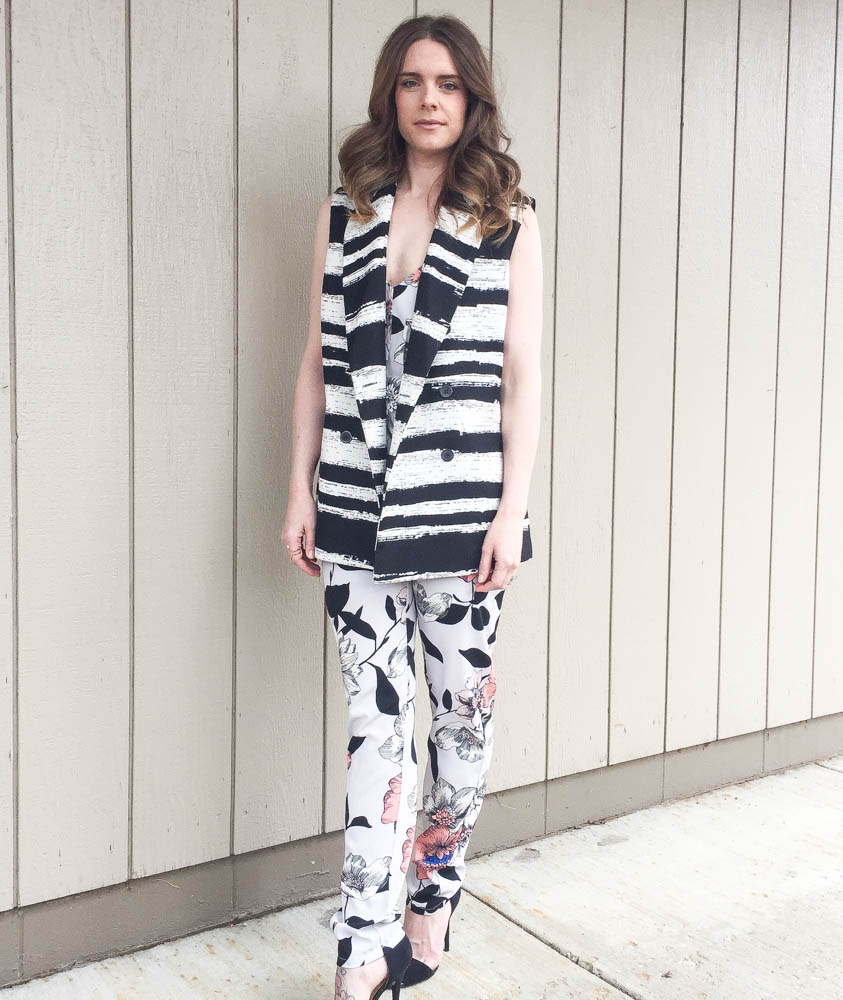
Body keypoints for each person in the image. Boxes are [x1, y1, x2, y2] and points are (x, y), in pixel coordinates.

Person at [282, 13, 542, 999]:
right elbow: (316, 363)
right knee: (376, 728)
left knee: (461, 727)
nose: (429, 99)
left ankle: (431, 902)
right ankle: (361, 952)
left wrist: (511, 513)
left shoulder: (508, 217)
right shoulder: (344, 211)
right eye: (411, 81)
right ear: (389, 95)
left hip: (464, 519)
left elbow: (521, 378)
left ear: (472, 98)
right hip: (353, 513)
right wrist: (299, 492)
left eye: (448, 83)